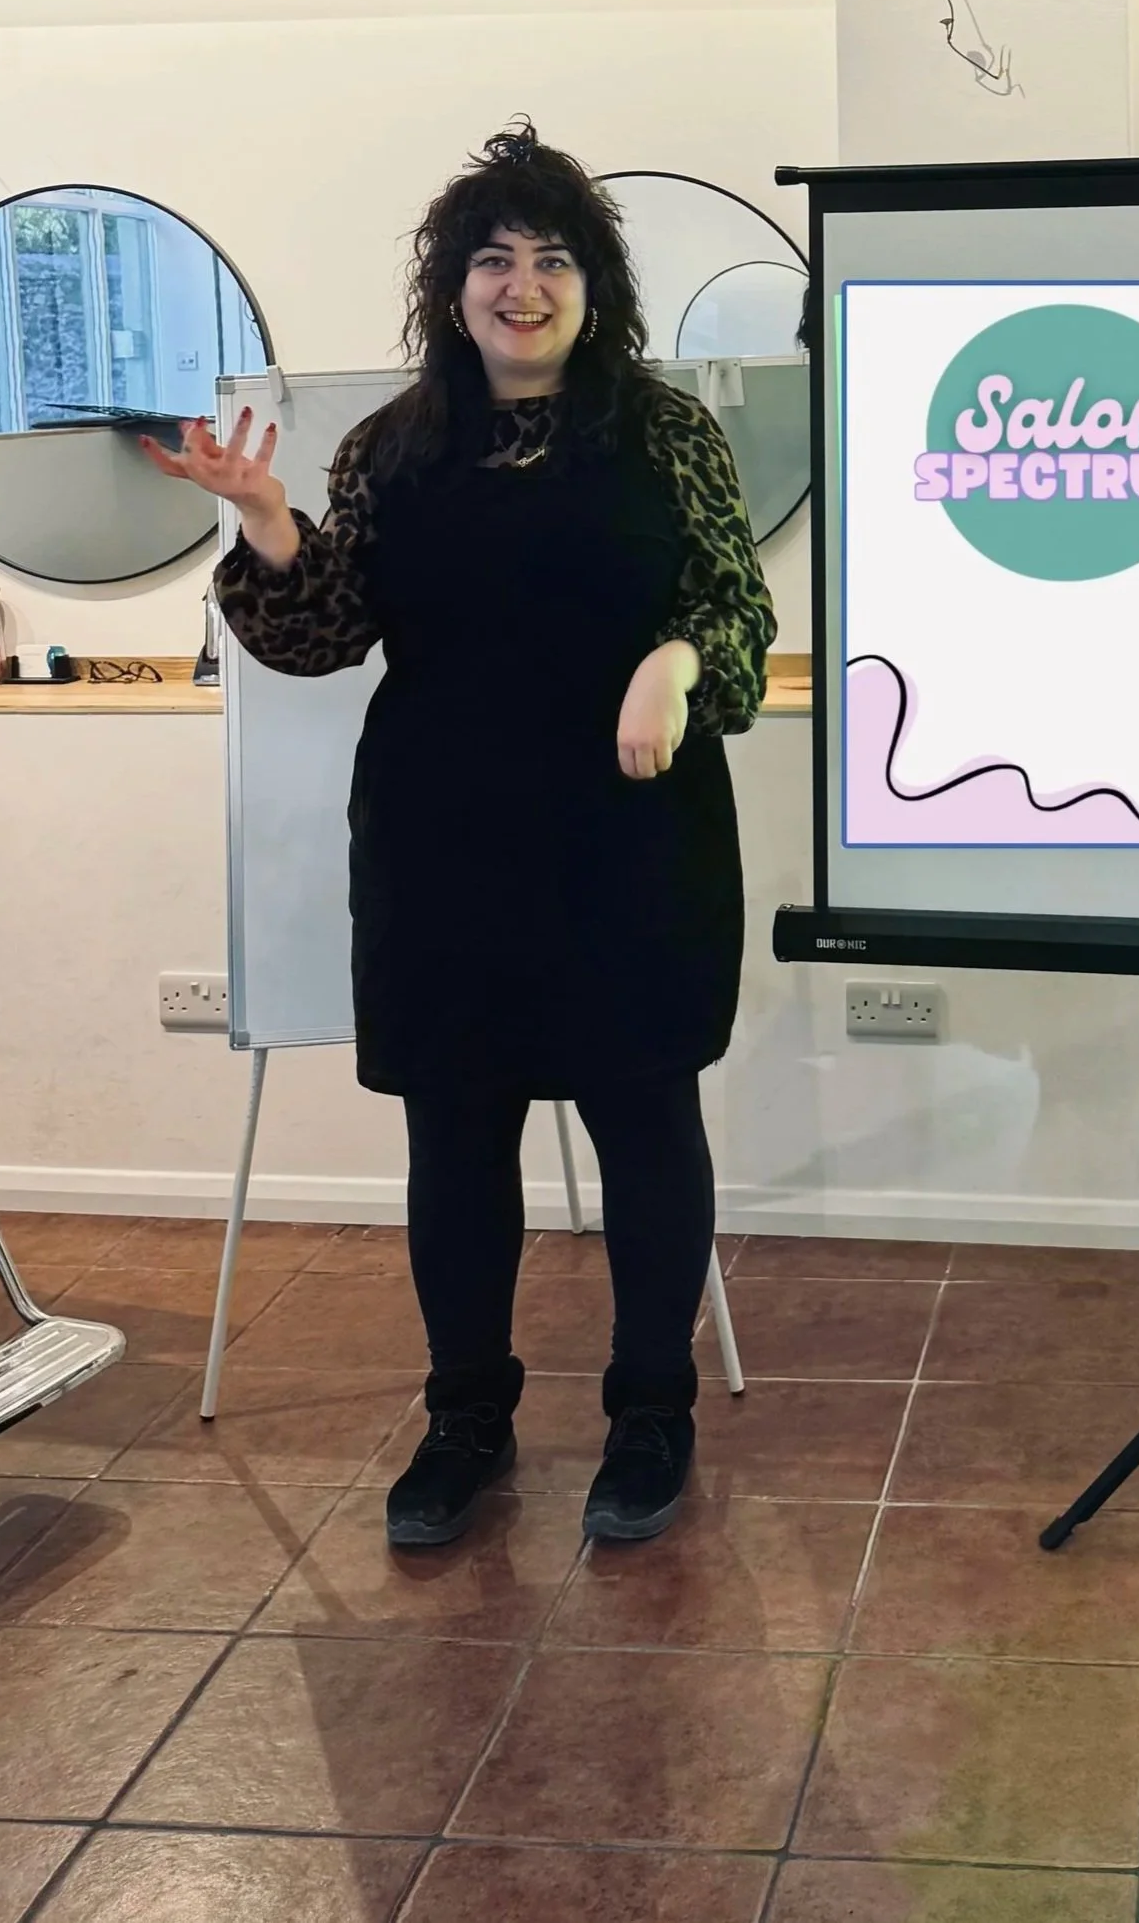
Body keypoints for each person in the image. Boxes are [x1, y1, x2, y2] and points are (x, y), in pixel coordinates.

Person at [144, 124, 775, 1549]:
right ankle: (467, 1420)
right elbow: (321, 635)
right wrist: (267, 527)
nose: (524, 283)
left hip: (632, 839)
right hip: (445, 845)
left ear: (592, 285)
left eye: (553, 257)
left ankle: (650, 1411)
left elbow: (738, 611)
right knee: (457, 1133)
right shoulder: (394, 446)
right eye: (495, 259)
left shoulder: (670, 433)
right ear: (455, 288)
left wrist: (678, 660)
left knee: (646, 1120)